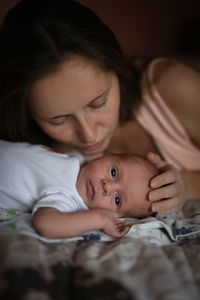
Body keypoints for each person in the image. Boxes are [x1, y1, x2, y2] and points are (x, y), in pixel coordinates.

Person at [0, 0, 199, 215]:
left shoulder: (171, 86)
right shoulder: (44, 161)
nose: (88, 135)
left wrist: (184, 187)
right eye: (57, 120)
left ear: (116, 68)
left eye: (98, 103)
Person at [0, 139, 159, 238]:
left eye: (117, 200)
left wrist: (99, 219)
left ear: (116, 216)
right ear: (106, 156)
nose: (107, 186)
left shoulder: (70, 199)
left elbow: (45, 224)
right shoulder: (81, 160)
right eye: (113, 172)